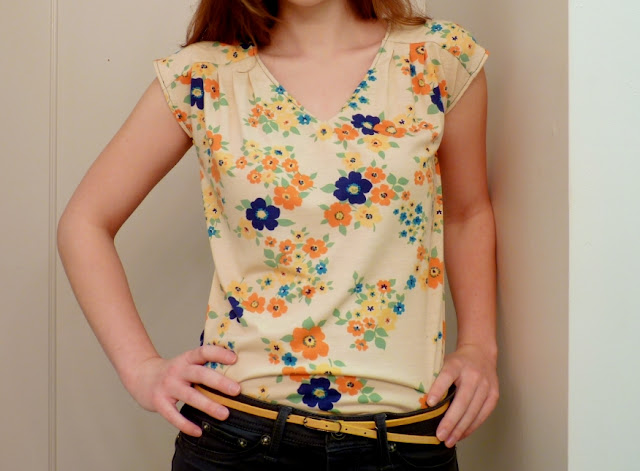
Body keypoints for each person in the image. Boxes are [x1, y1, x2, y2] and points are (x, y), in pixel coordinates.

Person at [57, 0, 498, 469]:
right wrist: (142, 369)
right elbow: (84, 222)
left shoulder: (438, 57)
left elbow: (467, 213)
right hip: (239, 436)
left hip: (408, 440)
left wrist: (479, 347)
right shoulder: (203, 75)